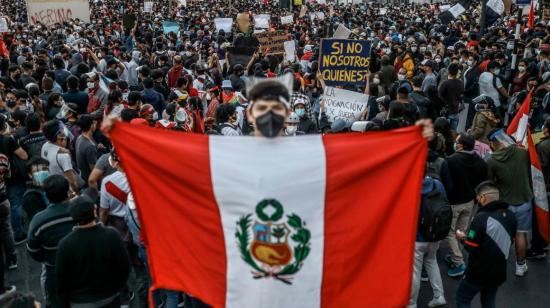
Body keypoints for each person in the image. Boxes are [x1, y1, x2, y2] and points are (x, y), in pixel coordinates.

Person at [56, 195, 130, 307]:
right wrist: (115, 288)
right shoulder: (111, 235)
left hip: (80, 302)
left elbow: (61, 280)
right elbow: (125, 267)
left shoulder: (65, 244)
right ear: (94, 211)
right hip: (109, 298)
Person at [455, 181, 516, 308]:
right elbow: (510, 240)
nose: (477, 202)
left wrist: (462, 238)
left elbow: (470, 246)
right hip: (498, 271)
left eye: (477, 198)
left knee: (463, 298)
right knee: (488, 301)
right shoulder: (511, 216)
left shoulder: (481, 218)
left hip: (478, 272)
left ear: (484, 198)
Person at [486, 129, 533, 276]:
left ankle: (498, 263)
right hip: (524, 201)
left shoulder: (491, 160)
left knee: (502, 235)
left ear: (493, 143)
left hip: (504, 204)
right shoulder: (523, 153)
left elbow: (489, 183)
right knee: (521, 235)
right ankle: (520, 266)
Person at [27, 175, 75, 307]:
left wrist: (48, 258)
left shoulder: (39, 220)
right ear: (67, 192)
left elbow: (33, 250)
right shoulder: (79, 211)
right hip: (83, 267)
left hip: (54, 271)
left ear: (46, 195)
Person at [444, 133, 488, 277]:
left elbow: (447, 183)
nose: (455, 143)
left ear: (461, 145)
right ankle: (456, 252)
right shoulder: (480, 162)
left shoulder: (451, 160)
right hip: (469, 202)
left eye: (457, 142)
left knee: (449, 232)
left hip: (453, 202)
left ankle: (458, 262)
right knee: (461, 230)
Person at [407, 175, 447, 308]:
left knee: (415, 271)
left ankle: (412, 303)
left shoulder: (411, 185)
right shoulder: (437, 184)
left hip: (417, 236)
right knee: (431, 262)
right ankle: (439, 295)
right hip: (435, 234)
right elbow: (445, 203)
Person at [41, 120, 81, 193]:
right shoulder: (64, 156)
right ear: (58, 136)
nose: (65, 135)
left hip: (53, 188)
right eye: (63, 132)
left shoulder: (45, 146)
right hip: (66, 192)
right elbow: (72, 182)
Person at [22, 157, 50, 221]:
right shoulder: (30, 197)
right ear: (30, 175)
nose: (42, 172)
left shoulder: (51, 188)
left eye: (45, 169)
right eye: (37, 171)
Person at [438, 63, 464, 130]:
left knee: (445, 132)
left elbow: (439, 96)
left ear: (448, 71)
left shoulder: (445, 83)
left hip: (447, 112)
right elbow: (461, 95)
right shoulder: (461, 83)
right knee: (453, 131)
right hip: (456, 111)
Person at [75, 114, 98, 185]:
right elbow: (94, 171)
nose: (96, 125)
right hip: (89, 181)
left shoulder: (80, 137)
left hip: (83, 175)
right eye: (94, 123)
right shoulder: (90, 146)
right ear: (91, 126)